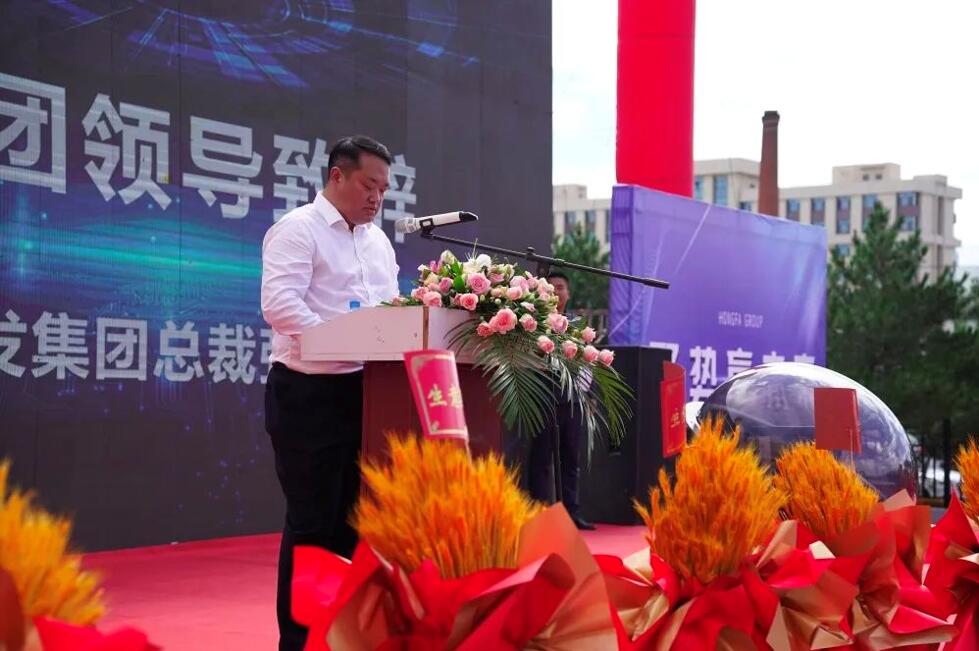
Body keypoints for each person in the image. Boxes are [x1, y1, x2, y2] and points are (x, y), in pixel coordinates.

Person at [261, 135, 399, 651]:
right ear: (337, 175)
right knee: (311, 524)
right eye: (368, 185)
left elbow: (392, 311)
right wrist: (339, 339)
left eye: (383, 189)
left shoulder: (378, 242)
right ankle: (298, 642)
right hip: (308, 394)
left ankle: (342, 637)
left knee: (354, 524)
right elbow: (280, 304)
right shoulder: (298, 229)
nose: (376, 197)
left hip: (366, 393)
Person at [527, 272, 596, 531]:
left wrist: (584, 393)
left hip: (572, 401)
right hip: (544, 399)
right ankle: (541, 515)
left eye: (561, 287)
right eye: (552, 287)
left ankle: (571, 514)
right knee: (542, 460)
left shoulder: (577, 326)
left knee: (571, 460)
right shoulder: (534, 322)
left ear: (568, 293)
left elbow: (588, 361)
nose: (557, 292)